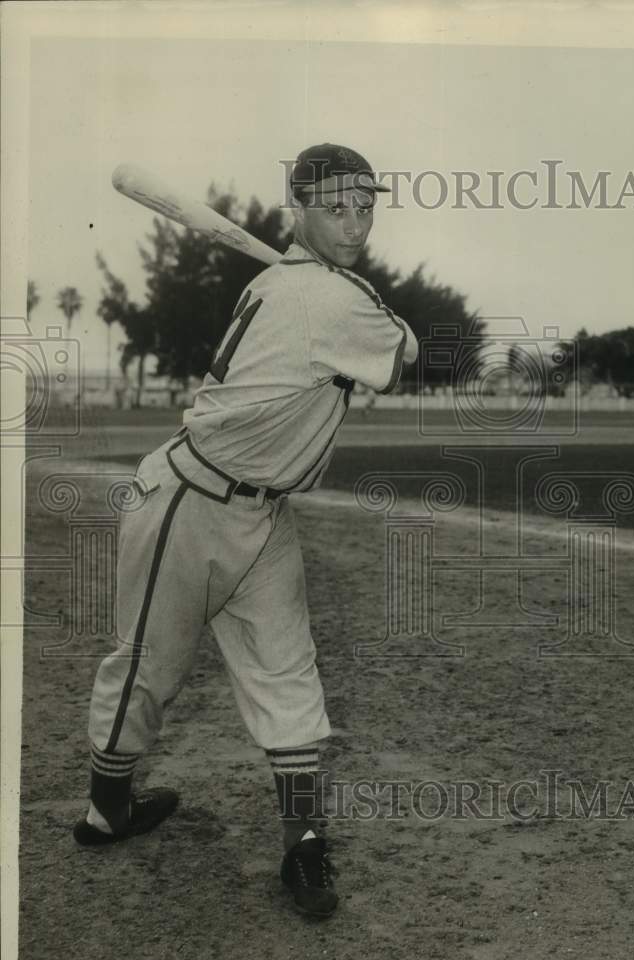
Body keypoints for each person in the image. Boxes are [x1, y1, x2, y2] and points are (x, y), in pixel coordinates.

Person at [73, 143, 418, 919]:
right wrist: (363, 297)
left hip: (263, 515)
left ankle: (301, 847)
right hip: (186, 501)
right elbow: (405, 354)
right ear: (298, 208)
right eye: (337, 204)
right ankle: (108, 810)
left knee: (288, 673)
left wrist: (350, 287)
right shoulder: (326, 298)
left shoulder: (299, 283)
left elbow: (387, 344)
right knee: (145, 670)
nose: (357, 218)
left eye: (367, 201)